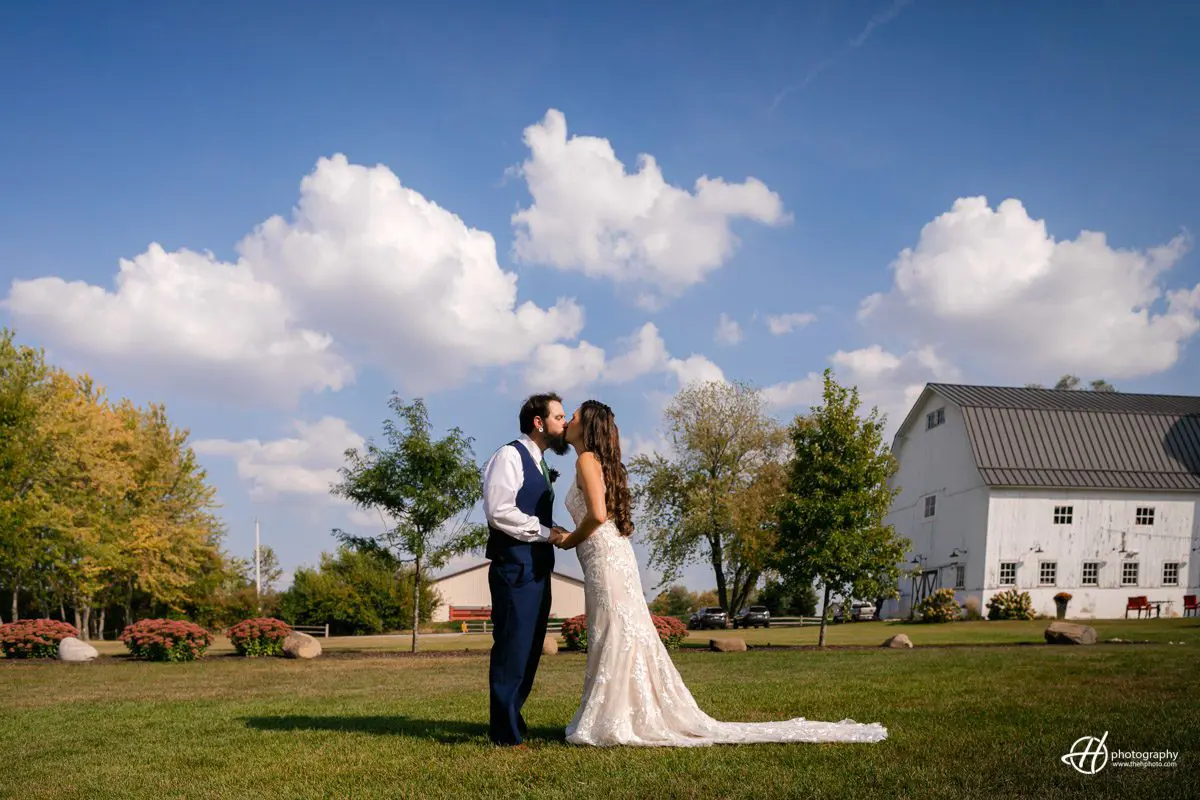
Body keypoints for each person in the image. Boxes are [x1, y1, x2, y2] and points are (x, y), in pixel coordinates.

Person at [551, 400, 889, 747]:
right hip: (609, 557)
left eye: (572, 417)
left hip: (606, 559)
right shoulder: (597, 462)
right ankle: (620, 712)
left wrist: (567, 540)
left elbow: (597, 516)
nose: (567, 421)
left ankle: (616, 717)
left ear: (587, 426)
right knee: (618, 631)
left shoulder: (586, 460)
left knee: (617, 631)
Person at [481, 392, 571, 747]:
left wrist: (556, 530)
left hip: (536, 568)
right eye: (559, 417)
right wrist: (548, 533)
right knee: (513, 647)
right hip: (514, 568)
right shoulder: (509, 456)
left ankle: (512, 717)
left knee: (530, 648)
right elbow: (499, 511)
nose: (565, 423)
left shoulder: (539, 461)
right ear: (539, 422)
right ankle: (504, 732)